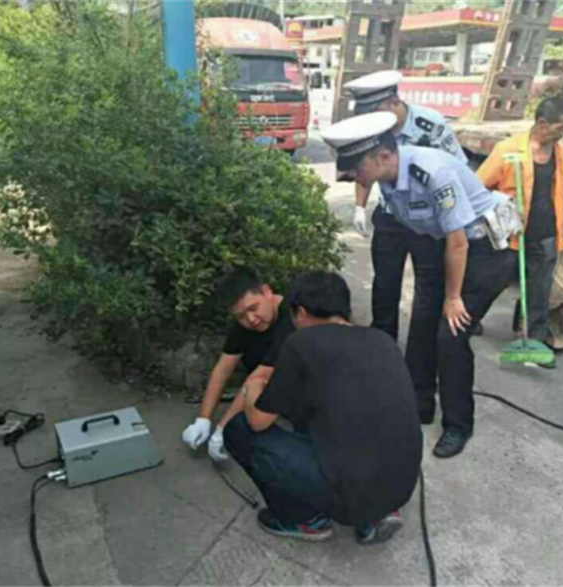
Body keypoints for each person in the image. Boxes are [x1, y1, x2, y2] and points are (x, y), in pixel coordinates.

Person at [321, 112, 520, 459]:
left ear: (384, 156)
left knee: (451, 334)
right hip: (445, 247)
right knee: (422, 321)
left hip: (484, 253)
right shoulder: (388, 179)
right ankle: (419, 404)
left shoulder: (432, 172)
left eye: (357, 167)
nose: (353, 176)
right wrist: (433, 289)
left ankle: (458, 424)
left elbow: (458, 242)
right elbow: (424, 232)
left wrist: (453, 297)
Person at [223, 271, 422, 545]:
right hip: (401, 485)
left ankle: (304, 519)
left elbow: (258, 421)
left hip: (351, 492)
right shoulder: (383, 340)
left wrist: (253, 387)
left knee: (239, 430)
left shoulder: (301, 343)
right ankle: (375, 515)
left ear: (301, 313)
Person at [342, 70, 474, 417]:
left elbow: (457, 171)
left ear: (393, 102)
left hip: (428, 222)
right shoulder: (373, 130)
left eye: (374, 111)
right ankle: (382, 358)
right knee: (384, 285)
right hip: (392, 215)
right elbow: (361, 170)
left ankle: (419, 387)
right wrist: (359, 206)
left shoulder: (431, 126)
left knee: (427, 298)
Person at [476, 97, 563, 368]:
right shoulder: (508, 150)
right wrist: (502, 207)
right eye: (560, 127)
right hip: (512, 233)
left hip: (545, 232)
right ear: (541, 124)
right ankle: (469, 319)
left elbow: (555, 191)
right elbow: (478, 187)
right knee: (493, 283)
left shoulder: (558, 152)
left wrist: (561, 223)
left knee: (539, 290)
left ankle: (535, 341)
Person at [181, 269, 295, 461]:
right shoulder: (244, 325)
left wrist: (222, 429)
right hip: (265, 386)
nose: (251, 319)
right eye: (241, 316)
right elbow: (223, 368)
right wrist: (203, 418)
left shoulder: (291, 319)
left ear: (267, 292)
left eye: (254, 308)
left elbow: (262, 374)